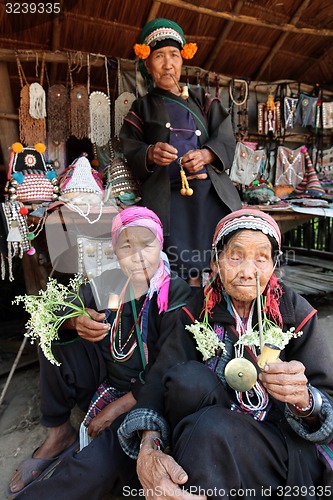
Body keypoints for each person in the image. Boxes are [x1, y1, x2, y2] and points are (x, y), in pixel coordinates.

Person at [118, 208, 333, 499]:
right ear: (215, 262)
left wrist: (305, 401)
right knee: (186, 380)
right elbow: (159, 381)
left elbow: (327, 401)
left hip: (280, 452)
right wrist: (148, 447)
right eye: (235, 256)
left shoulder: (296, 314)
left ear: (274, 265)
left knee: (209, 428)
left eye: (261, 258)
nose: (247, 271)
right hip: (208, 442)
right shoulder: (193, 311)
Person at [8, 206, 191, 499]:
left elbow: (172, 362)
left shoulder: (175, 291)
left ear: (160, 244)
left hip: (150, 399)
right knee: (50, 334)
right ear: (115, 251)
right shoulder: (107, 280)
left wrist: (118, 408)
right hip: (106, 383)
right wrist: (74, 321)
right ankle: (58, 434)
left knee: (97, 464)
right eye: (126, 246)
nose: (138, 256)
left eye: (147, 245)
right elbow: (47, 312)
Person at [120, 18, 242, 287]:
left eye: (174, 55)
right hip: (171, 202)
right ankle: (187, 319)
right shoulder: (143, 107)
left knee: (224, 262)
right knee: (183, 271)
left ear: (182, 60)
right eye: (159, 56)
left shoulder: (202, 98)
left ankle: (223, 320)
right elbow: (129, 146)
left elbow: (225, 135)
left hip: (211, 197)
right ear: (148, 64)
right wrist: (151, 153)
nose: (167, 64)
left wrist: (207, 155)